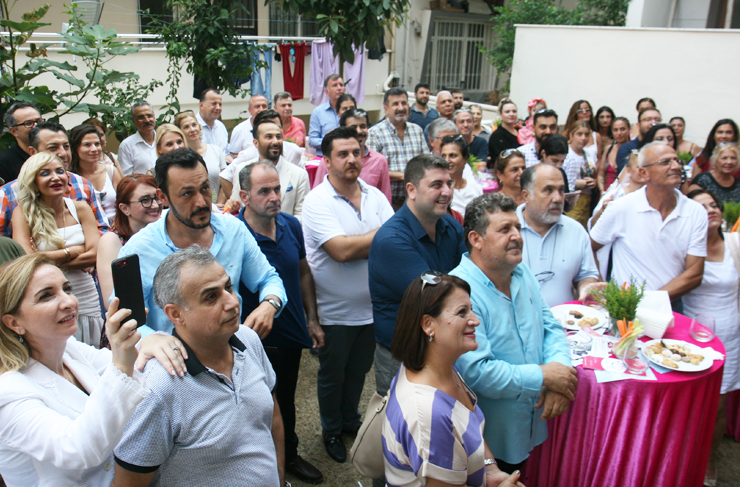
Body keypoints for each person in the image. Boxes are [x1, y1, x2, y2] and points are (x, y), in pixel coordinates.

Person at [0, 253, 185, 487]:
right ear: (14, 322)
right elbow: (78, 450)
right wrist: (122, 363)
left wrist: (147, 340)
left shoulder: (69, 349)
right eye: (46, 296)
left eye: (67, 289)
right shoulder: (8, 392)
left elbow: (137, 370)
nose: (68, 302)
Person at [111, 246, 287, 487]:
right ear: (176, 314)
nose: (232, 302)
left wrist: (279, 478)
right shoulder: (158, 389)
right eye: (211, 297)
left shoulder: (248, 339)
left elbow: (272, 416)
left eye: (228, 287)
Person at [451, 193, 576, 472]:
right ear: (476, 239)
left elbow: (551, 328)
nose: (517, 236)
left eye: (517, 227)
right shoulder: (458, 292)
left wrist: (560, 376)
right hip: (489, 443)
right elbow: (477, 373)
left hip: (532, 427)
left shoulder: (522, 273)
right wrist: (544, 376)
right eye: (504, 229)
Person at [118, 148, 287, 335]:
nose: (201, 202)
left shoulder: (233, 231)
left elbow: (269, 279)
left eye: (205, 189)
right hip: (169, 352)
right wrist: (153, 340)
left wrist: (269, 304)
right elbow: (124, 320)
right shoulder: (139, 249)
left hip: (230, 347)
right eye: (187, 194)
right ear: (163, 197)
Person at [302, 127, 393, 463]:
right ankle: (331, 430)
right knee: (332, 375)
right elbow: (340, 251)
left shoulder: (375, 195)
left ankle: (350, 419)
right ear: (326, 161)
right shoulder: (317, 201)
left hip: (372, 309)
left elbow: (395, 243)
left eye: (356, 152)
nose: (352, 159)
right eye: (343, 154)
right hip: (334, 312)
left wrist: (365, 243)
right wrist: (379, 237)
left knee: (358, 373)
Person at [382, 273, 524, 487]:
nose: (475, 320)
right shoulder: (429, 414)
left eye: (471, 309)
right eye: (462, 312)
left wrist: (490, 470)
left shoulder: (438, 367)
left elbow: (469, 428)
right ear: (428, 324)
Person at [236, 162, 325, 484]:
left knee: (285, 398)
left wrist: (311, 319)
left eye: (278, 189)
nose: (275, 197)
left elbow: (303, 272)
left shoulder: (290, 224)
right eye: (264, 191)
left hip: (289, 334)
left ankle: (289, 456)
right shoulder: (234, 234)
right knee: (251, 404)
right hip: (253, 339)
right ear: (244, 196)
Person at [369, 154, 466, 397]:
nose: (447, 192)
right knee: (404, 419)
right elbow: (437, 297)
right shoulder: (392, 240)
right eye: (436, 185)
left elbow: (472, 274)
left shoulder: (450, 225)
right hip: (405, 357)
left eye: (449, 183)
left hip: (441, 347)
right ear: (411, 190)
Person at [591, 142, 708, 312]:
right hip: (624, 306)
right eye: (665, 162)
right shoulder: (621, 207)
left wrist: (648, 302)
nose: (676, 167)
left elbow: (695, 273)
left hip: (670, 305)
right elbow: (590, 247)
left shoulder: (696, 211)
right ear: (644, 173)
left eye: (677, 161)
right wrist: (603, 287)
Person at [12, 152, 103, 346]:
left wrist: (44, 257)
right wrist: (73, 251)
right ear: (33, 181)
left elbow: (96, 254)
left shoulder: (80, 208)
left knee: (92, 344)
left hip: (85, 292)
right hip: (47, 296)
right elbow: (27, 260)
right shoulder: (23, 213)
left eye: (60, 171)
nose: (55, 177)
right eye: (45, 173)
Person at [683, 189, 740, 487]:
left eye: (713, 204)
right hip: (691, 337)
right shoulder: (683, 247)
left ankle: (710, 461)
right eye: (702, 208)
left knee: (718, 408)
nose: (711, 210)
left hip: (730, 337)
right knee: (689, 405)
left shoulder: (735, 243)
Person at [0, 121, 109, 238]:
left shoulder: (82, 184)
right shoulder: (8, 193)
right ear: (33, 152)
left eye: (66, 147)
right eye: (53, 148)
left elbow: (102, 229)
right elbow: (3, 243)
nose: (62, 153)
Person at [518, 164, 601, 307]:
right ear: (526, 195)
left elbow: (586, 275)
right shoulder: (506, 231)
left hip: (564, 319)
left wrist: (587, 288)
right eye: (548, 190)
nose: (557, 198)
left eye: (561, 190)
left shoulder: (576, 231)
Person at [96, 174, 162, 311]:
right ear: (125, 208)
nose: (155, 205)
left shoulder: (166, 233)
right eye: (145, 200)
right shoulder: (112, 241)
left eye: (157, 197)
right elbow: (112, 302)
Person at [228, 112, 310, 220]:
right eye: (269, 137)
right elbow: (236, 207)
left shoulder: (299, 175)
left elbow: (302, 217)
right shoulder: (242, 170)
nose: (275, 142)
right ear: (256, 143)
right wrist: (231, 205)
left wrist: (276, 227)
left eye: (278, 137)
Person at [313, 108, 392, 202]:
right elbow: (317, 194)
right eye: (353, 127)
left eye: (363, 126)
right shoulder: (330, 161)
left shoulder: (379, 160)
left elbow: (385, 197)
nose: (359, 131)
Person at [367, 87, 427, 210]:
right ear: (386, 108)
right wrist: (404, 176)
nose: (401, 108)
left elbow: (427, 163)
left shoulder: (417, 130)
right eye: (395, 104)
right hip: (387, 204)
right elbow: (373, 172)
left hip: (416, 202)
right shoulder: (374, 133)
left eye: (404, 103)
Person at [589, 152, 646, 279]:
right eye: (639, 167)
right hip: (613, 256)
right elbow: (593, 226)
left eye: (646, 166)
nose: (643, 170)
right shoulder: (615, 195)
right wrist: (603, 210)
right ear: (629, 171)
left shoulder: (651, 199)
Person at [69, 124, 122, 223]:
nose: (94, 149)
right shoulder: (70, 178)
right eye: (87, 145)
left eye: (97, 144)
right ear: (75, 148)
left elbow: (125, 202)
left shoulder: (111, 171)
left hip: (117, 226)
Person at [174, 110, 227, 204]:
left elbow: (225, 181)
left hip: (218, 206)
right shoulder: (179, 157)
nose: (192, 129)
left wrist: (218, 205)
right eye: (186, 127)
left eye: (194, 125)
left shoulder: (216, 150)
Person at [563, 120, 597, 227]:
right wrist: (577, 182)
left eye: (586, 134)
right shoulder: (566, 153)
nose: (583, 138)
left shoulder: (589, 153)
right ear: (571, 135)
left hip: (587, 199)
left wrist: (593, 182)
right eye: (579, 134)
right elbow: (559, 176)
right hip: (572, 199)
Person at [0, 102, 42, 184]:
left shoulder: (54, 152)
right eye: (28, 123)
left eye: (39, 121)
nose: (36, 126)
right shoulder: (3, 163)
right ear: (13, 131)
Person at [442, 135, 482, 215]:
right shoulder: (439, 191)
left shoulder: (475, 188)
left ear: (465, 158)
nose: (447, 160)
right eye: (443, 156)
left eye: (453, 155)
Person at [308, 74, 346, 156]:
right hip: (325, 157)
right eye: (335, 85)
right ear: (327, 92)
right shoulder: (318, 112)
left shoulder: (353, 110)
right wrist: (330, 140)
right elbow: (312, 141)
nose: (339, 88)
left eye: (341, 85)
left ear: (345, 89)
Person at [616, 107, 661, 172]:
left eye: (657, 120)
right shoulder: (627, 148)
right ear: (638, 125)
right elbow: (629, 173)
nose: (653, 123)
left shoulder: (664, 146)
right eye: (648, 119)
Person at [118, 101, 157, 175]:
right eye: (141, 118)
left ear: (154, 117)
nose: (147, 120)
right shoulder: (126, 146)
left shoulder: (163, 140)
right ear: (133, 121)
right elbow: (127, 177)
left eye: (149, 116)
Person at [596, 116, 630, 192]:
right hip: (606, 192)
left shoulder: (633, 150)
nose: (619, 133)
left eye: (622, 129)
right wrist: (602, 191)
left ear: (629, 129)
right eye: (615, 130)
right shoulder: (608, 149)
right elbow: (601, 174)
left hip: (624, 192)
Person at [196, 87, 231, 159]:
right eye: (213, 104)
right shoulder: (192, 127)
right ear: (201, 105)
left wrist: (228, 157)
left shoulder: (221, 126)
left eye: (220, 104)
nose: (218, 108)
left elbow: (226, 152)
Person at [488, 98, 520, 170]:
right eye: (507, 112)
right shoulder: (497, 136)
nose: (511, 114)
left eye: (514, 111)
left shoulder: (521, 131)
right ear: (501, 114)